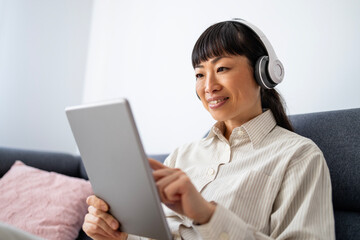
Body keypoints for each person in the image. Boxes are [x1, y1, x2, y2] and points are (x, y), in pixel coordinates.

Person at [82, 19, 335, 240]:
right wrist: (118, 235)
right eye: (199, 74)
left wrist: (208, 215)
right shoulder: (181, 156)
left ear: (263, 72)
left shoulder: (298, 156)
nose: (208, 86)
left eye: (221, 69)